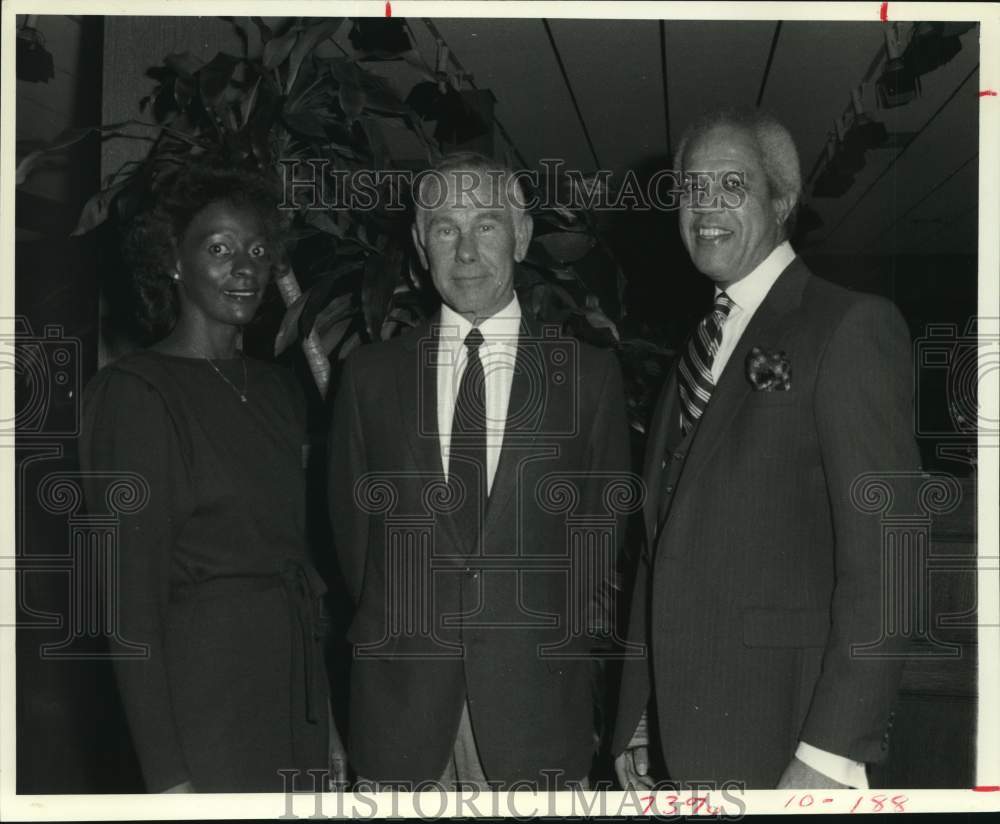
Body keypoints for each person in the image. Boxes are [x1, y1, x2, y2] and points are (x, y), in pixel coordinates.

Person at [613, 109, 921, 790]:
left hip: (792, 743)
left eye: (732, 185)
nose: (706, 206)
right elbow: (660, 546)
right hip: (682, 741)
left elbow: (891, 559)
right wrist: (639, 714)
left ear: (782, 202)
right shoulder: (690, 358)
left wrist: (830, 754)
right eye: (693, 189)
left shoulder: (848, 326)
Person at [328, 152, 633, 789]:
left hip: (535, 706)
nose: (465, 251)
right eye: (445, 229)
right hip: (401, 709)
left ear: (521, 236)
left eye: (486, 225)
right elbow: (355, 548)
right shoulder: (369, 378)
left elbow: (599, 542)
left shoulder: (587, 377)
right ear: (419, 244)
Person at [79, 160, 345, 792]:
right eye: (220, 248)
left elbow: (300, 570)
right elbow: (128, 607)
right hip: (206, 705)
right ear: (174, 260)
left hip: (293, 696)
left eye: (257, 249)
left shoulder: (281, 390)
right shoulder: (138, 391)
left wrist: (330, 727)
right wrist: (168, 777)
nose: (245, 267)